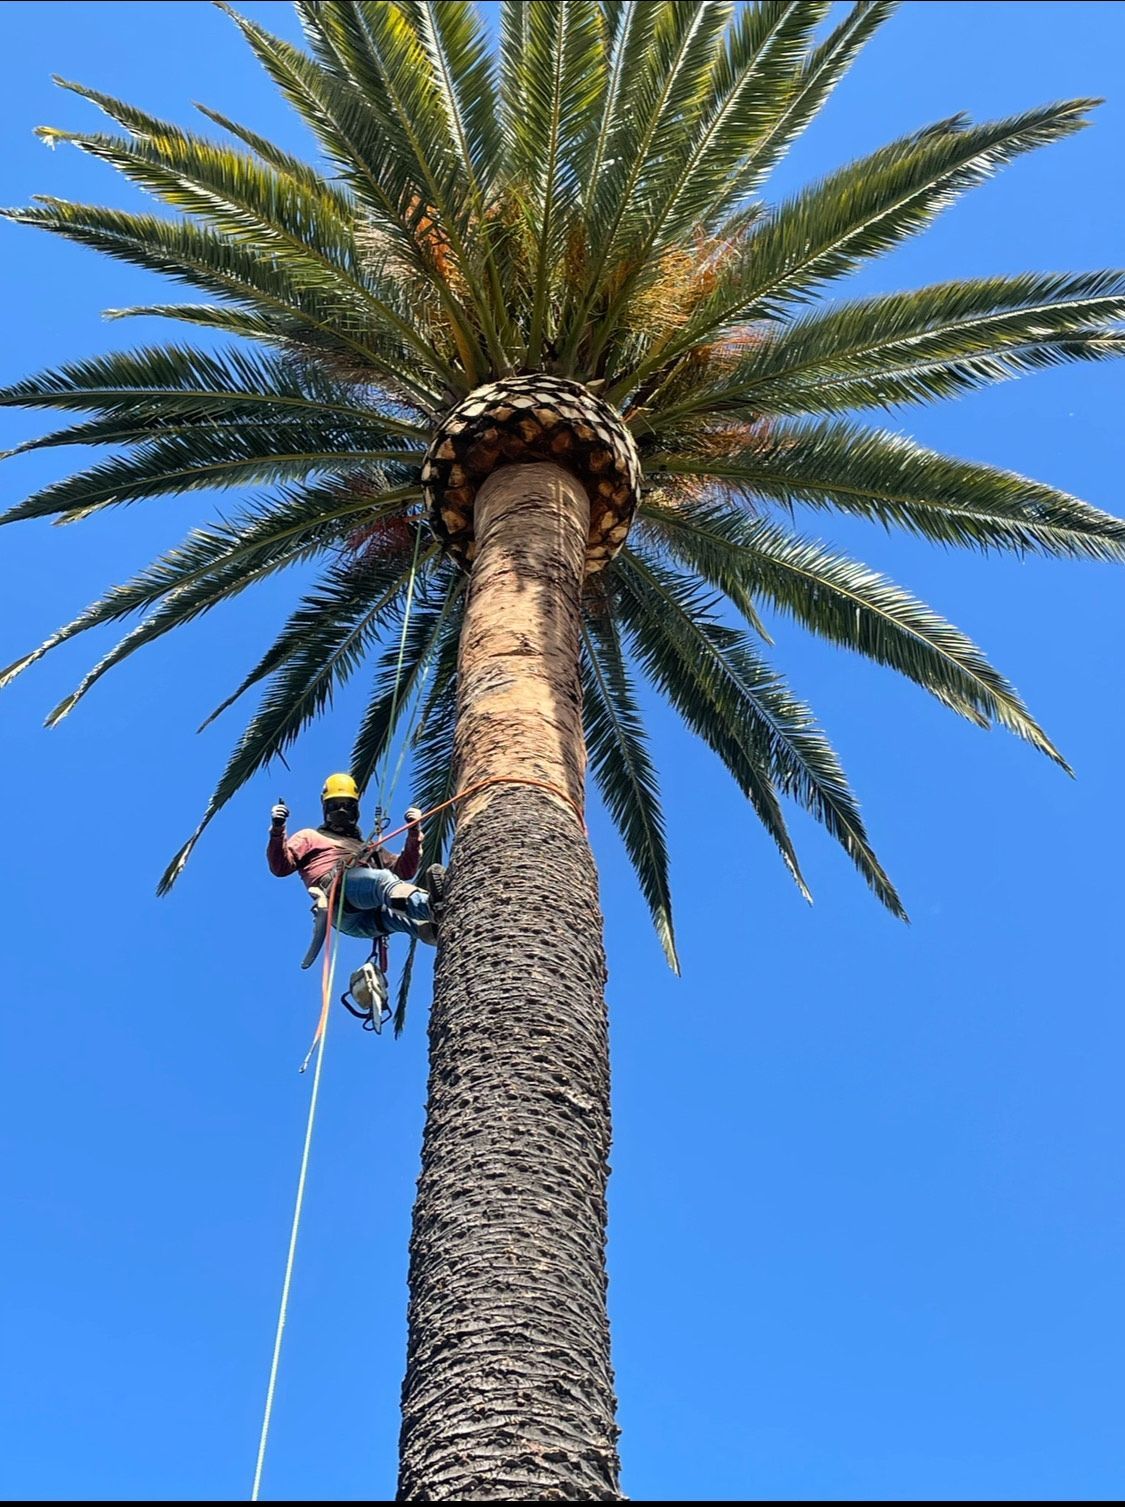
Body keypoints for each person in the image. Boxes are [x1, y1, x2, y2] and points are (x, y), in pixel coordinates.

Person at [267, 772, 441, 945]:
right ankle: (431, 907)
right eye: (335, 805)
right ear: (326, 807)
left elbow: (404, 870)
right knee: (383, 880)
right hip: (339, 900)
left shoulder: (368, 848)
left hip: (367, 918)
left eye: (347, 805)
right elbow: (281, 867)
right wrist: (277, 830)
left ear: (355, 808)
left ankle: (442, 929)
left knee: (409, 920)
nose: (342, 810)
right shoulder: (309, 837)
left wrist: (413, 833)